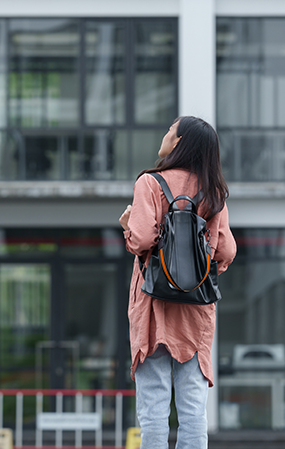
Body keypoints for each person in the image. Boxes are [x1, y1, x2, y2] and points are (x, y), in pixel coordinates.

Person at [118, 116, 237, 449]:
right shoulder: (213, 191)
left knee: (154, 405)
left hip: (153, 303)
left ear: (179, 141)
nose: (165, 135)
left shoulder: (150, 183)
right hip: (196, 308)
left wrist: (128, 226)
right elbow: (226, 250)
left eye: (170, 130)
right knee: (193, 406)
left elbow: (141, 240)